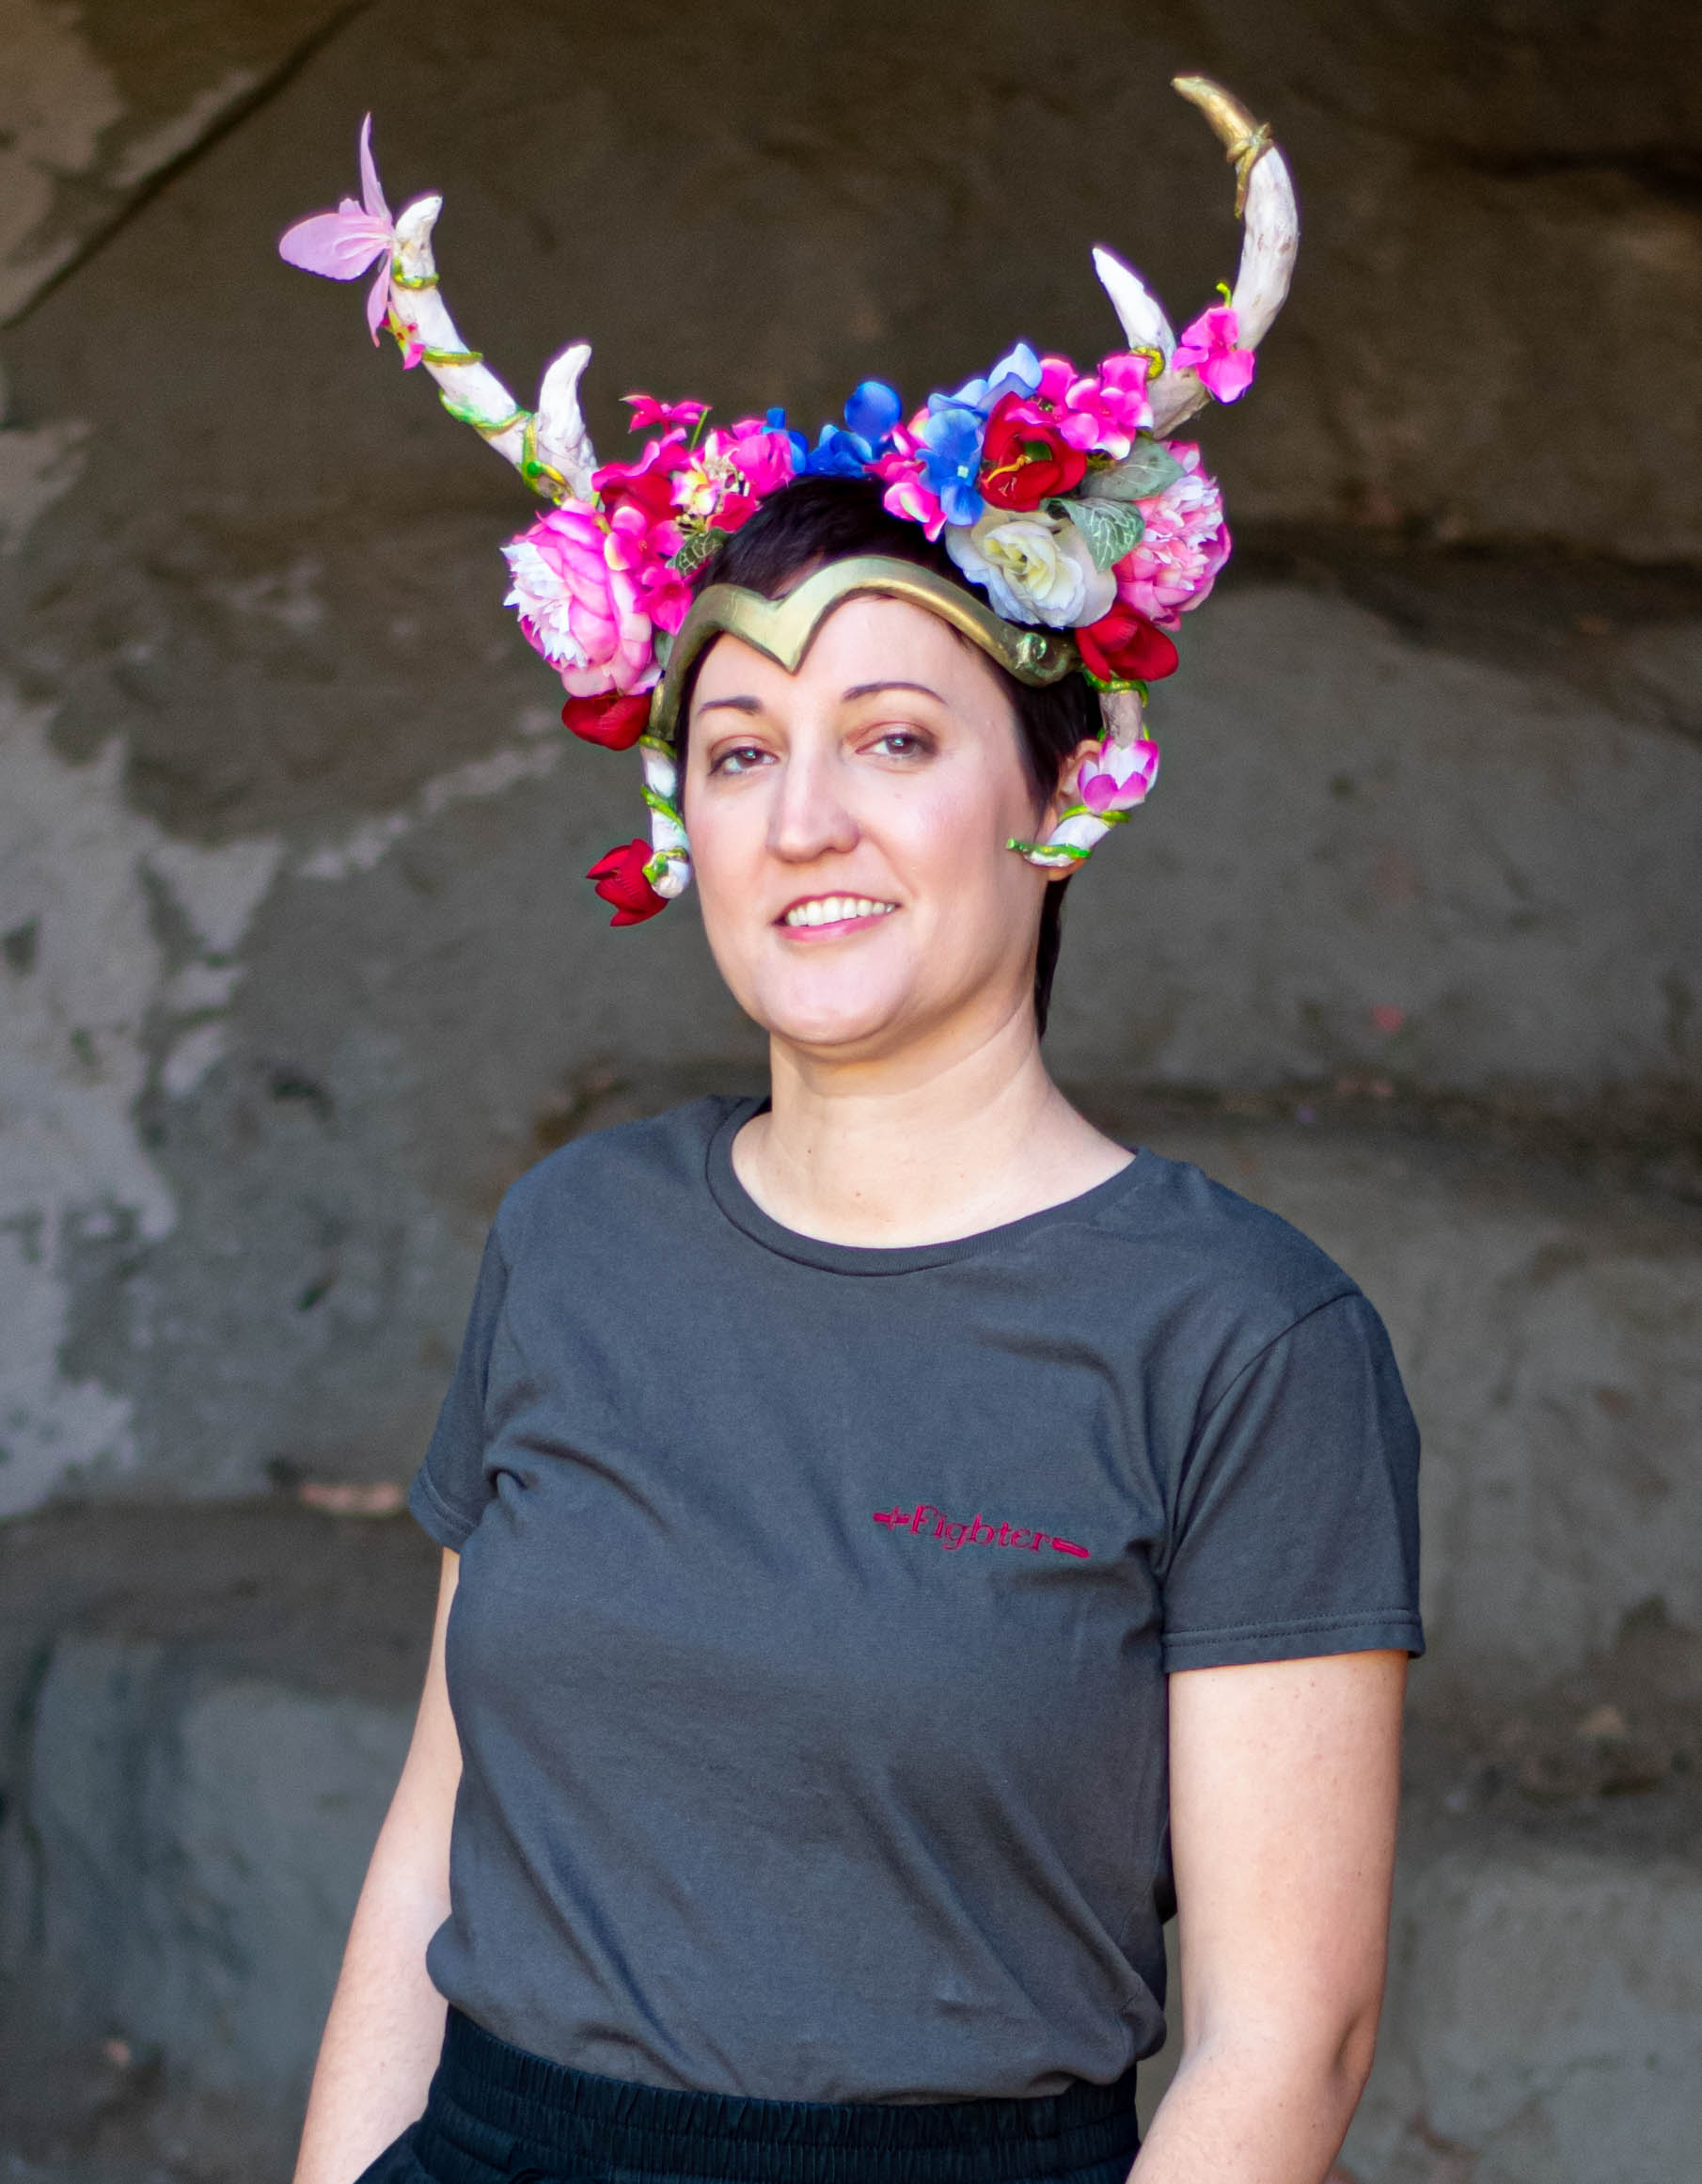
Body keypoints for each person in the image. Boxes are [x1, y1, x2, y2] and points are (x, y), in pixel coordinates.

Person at [282, 78, 1420, 2184]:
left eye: (892, 738)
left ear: (1059, 795)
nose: (800, 820)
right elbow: (434, 1832)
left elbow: (1289, 2043)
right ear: (676, 822)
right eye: (734, 752)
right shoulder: (576, 1235)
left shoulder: (1241, 1341)